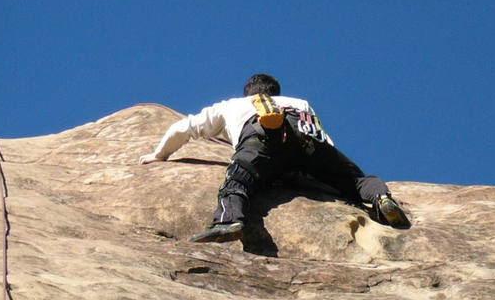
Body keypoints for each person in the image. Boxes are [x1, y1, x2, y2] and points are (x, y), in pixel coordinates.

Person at [140, 73, 411, 243]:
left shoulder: (232, 105)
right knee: (356, 181)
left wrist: (158, 155)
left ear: (249, 92)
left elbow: (182, 128)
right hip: (309, 147)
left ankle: (229, 222)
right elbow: (322, 136)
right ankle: (381, 199)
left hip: (262, 144)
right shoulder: (300, 102)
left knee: (236, 182)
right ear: (276, 93)